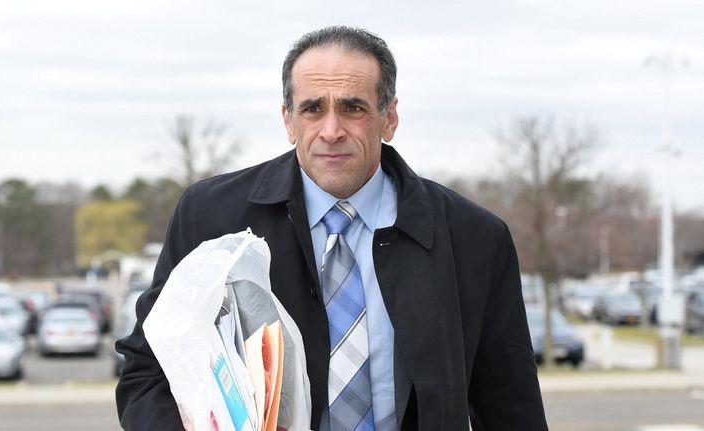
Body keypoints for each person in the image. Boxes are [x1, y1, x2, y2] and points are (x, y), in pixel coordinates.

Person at [116, 26, 548, 430]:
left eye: (353, 108)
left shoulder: (473, 237)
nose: (331, 130)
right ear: (288, 120)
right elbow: (146, 372)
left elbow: (510, 402)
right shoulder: (210, 216)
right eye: (312, 109)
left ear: (389, 117)